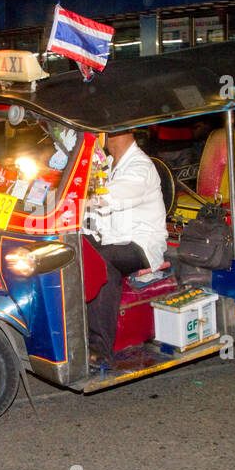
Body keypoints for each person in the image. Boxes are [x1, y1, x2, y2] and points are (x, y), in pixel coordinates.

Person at [84, 130, 168, 364]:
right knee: (71, 250)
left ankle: (100, 346)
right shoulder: (108, 164)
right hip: (110, 237)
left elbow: (107, 197)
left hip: (141, 244)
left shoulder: (140, 168)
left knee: (102, 262)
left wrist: (66, 198)